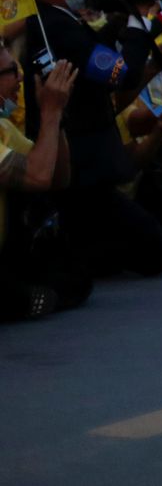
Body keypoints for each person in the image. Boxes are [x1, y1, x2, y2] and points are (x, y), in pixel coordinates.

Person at [18, 0, 162, 279]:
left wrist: (129, 17)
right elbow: (121, 73)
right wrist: (140, 18)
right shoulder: (54, 24)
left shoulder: (55, 20)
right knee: (159, 253)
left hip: (84, 168)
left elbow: (95, 51)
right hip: (84, 171)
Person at [0, 57, 91, 321]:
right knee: (31, 298)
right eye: (11, 72)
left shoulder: (3, 126)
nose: (20, 78)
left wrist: (56, 117)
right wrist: (50, 113)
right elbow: (38, 176)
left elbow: (57, 178)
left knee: (76, 279)